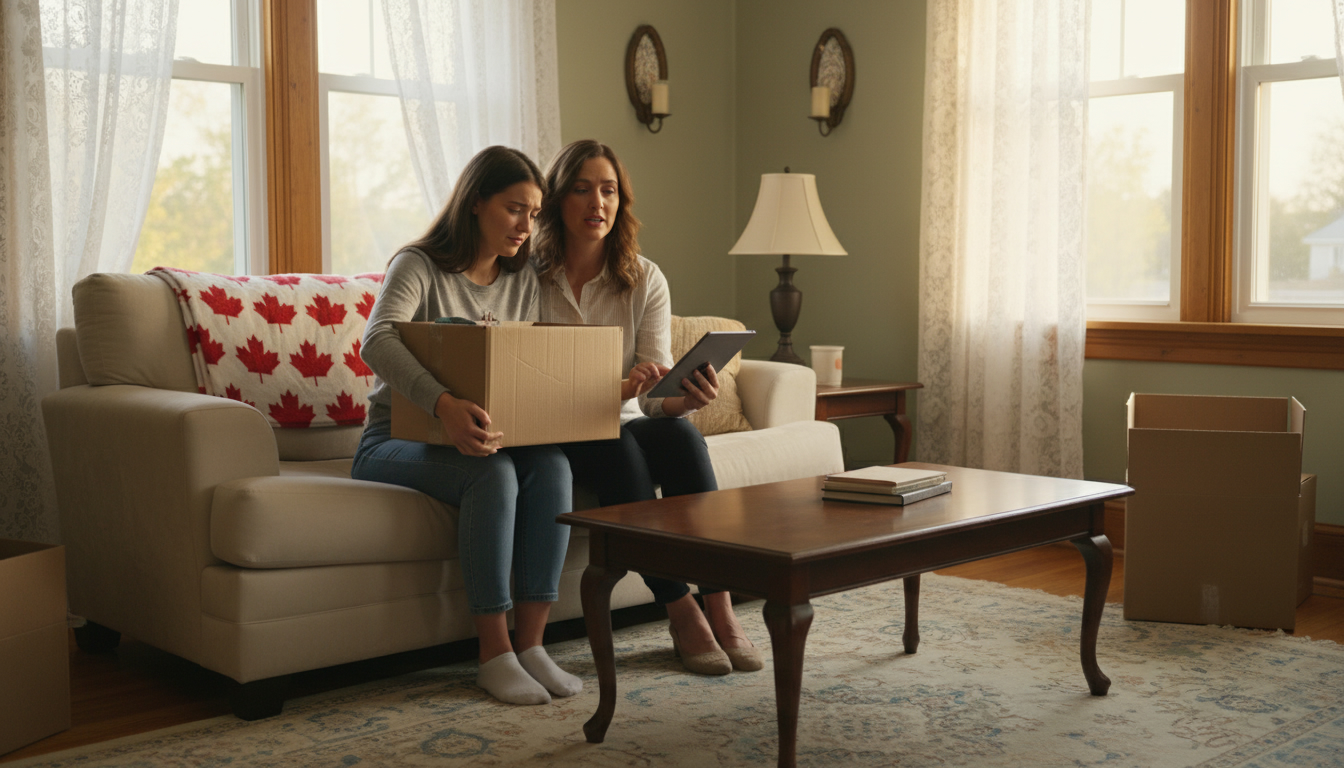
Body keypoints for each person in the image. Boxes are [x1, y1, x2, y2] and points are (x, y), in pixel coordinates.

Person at [352, 145, 581, 705]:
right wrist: (444, 404)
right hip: (393, 440)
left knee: (551, 465)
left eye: (533, 212)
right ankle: (493, 654)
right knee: (492, 475)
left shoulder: (523, 277)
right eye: (513, 209)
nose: (526, 226)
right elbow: (377, 339)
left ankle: (531, 647)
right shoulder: (418, 265)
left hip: (489, 434)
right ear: (476, 203)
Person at [531, 139, 763, 675]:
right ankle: (681, 609)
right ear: (559, 200)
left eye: (609, 191)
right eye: (584, 189)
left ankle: (720, 605)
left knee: (682, 437)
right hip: (559, 424)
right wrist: (617, 386)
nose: (598, 203)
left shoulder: (644, 277)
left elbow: (653, 395)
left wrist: (682, 399)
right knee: (617, 451)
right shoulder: (528, 277)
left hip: (625, 416)